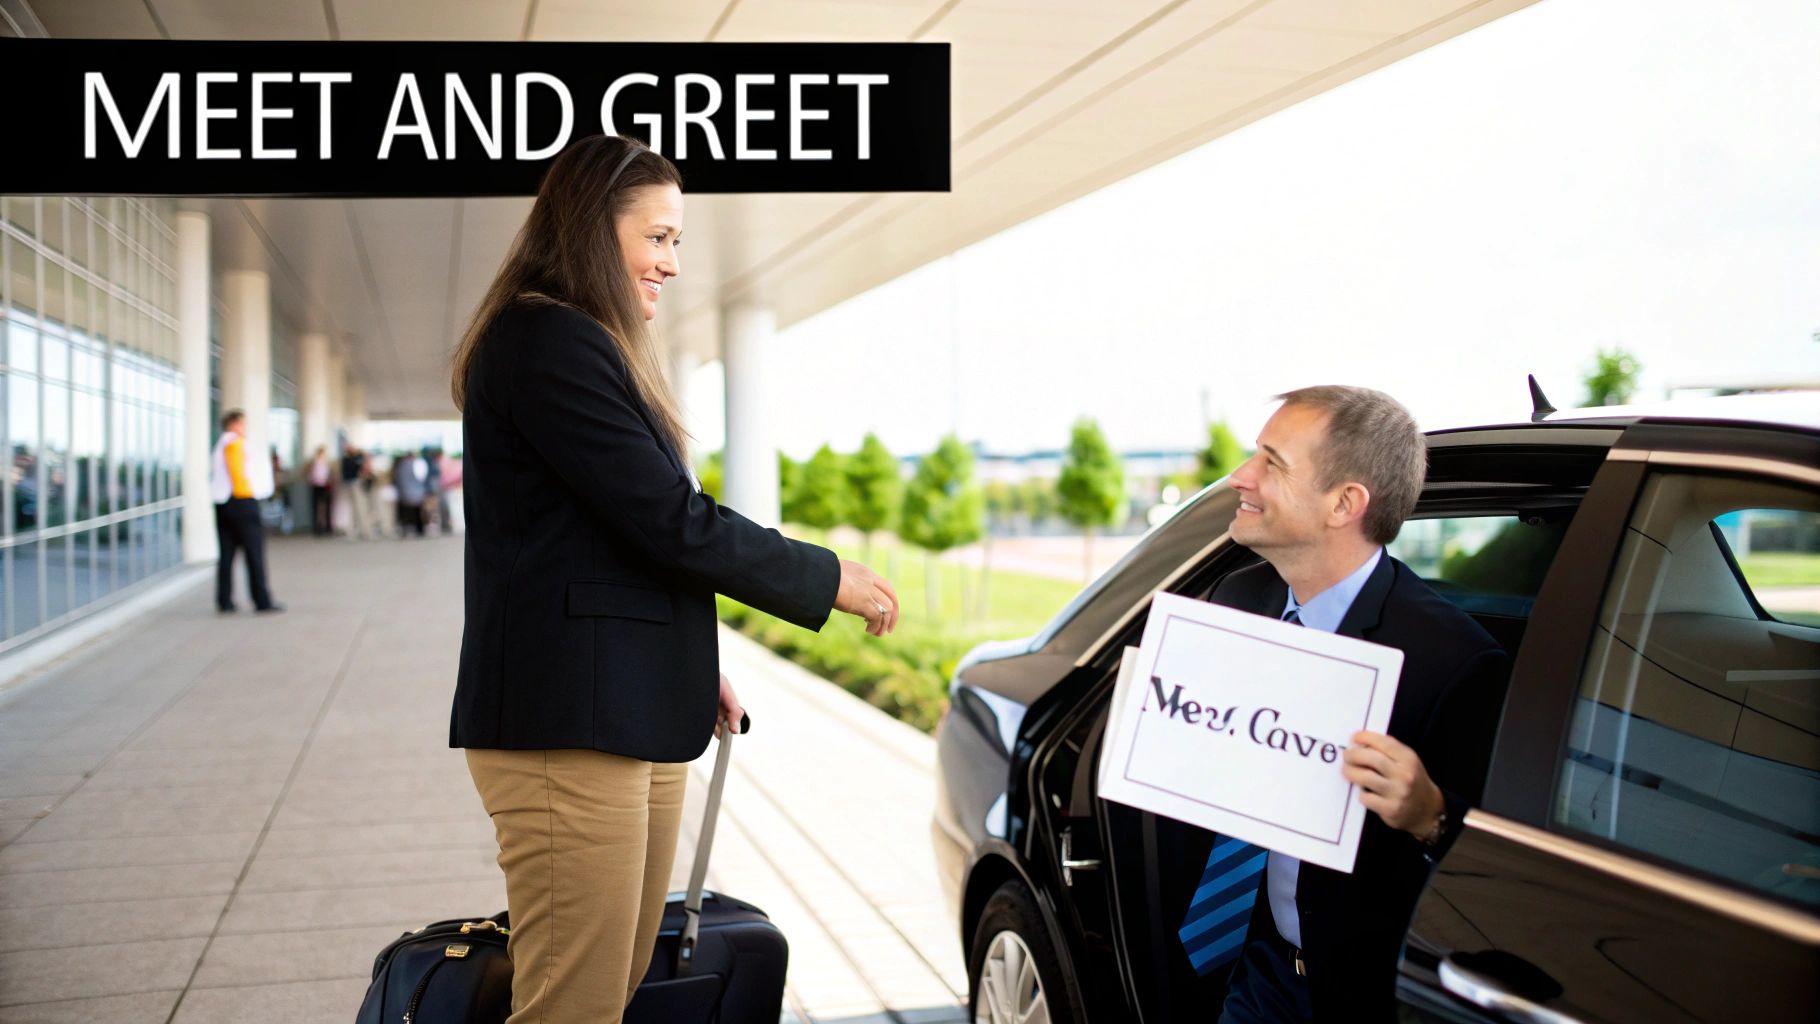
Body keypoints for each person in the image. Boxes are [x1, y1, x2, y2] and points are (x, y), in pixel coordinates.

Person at [448, 134, 901, 1024]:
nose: (672, 263)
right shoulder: (546, 341)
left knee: (605, 995)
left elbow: (619, 538)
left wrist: (690, 666)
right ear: (589, 230)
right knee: (569, 1007)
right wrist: (826, 576)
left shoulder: (582, 345)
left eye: (678, 242)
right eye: (657, 238)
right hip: (566, 732)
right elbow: (669, 521)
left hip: (617, 711)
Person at [1181, 386, 1506, 1022]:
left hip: (1371, 997)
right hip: (1253, 968)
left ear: (1344, 504)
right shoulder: (1234, 600)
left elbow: (1501, 884)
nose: (1240, 477)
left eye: (1271, 462)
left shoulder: (1454, 661)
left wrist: (1429, 815)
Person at [210, 409, 283, 614]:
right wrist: (249, 494)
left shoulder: (220, 445)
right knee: (254, 552)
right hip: (241, 502)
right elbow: (238, 474)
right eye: (243, 424)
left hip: (224, 504)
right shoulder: (234, 443)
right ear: (233, 424)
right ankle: (262, 600)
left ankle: (224, 600)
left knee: (226, 554)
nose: (245, 429)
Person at [307, 444, 334, 536]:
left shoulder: (326, 463)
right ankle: (317, 527)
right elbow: (312, 475)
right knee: (316, 507)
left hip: (325, 486)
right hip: (317, 486)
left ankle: (328, 527)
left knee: (327, 508)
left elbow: (328, 474)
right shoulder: (314, 463)